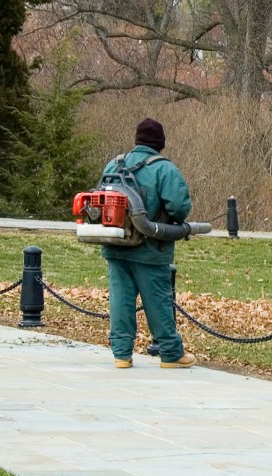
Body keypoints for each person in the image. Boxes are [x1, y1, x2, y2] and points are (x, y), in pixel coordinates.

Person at [102, 118, 196, 369]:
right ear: (160, 143)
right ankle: (171, 353)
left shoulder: (114, 164)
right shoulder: (165, 169)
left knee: (120, 299)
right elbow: (179, 208)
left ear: (137, 140)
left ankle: (121, 354)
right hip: (151, 247)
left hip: (116, 244)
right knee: (158, 301)